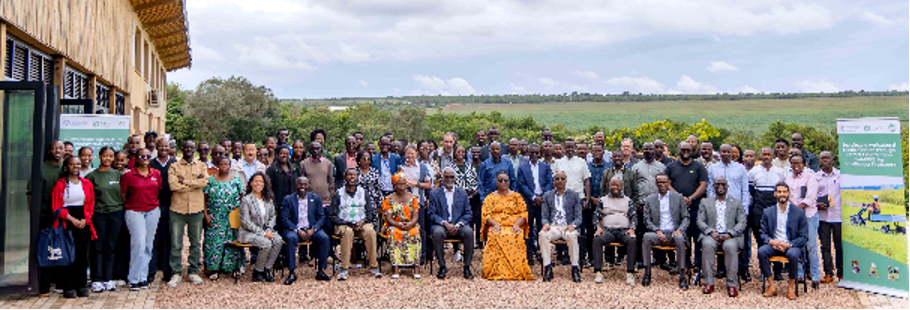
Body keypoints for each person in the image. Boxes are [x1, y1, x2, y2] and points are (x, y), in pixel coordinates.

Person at [50, 156, 96, 299]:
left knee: (82, 254)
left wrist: (85, 219)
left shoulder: (87, 183)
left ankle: (81, 285)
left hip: (83, 220)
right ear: (66, 167)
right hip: (67, 220)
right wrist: (72, 219)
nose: (75, 166)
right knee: (69, 254)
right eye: (72, 164)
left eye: (77, 164)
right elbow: (56, 207)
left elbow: (90, 203)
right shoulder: (60, 184)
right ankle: (68, 286)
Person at [166, 141, 209, 287]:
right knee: (176, 243)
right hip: (177, 209)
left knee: (195, 243)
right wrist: (193, 183)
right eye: (186, 147)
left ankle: (193, 271)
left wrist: (184, 181)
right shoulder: (174, 166)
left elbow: (203, 183)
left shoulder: (201, 165)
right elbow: (173, 185)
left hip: (196, 210)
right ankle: (176, 273)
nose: (188, 150)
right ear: (182, 149)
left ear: (194, 150)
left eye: (191, 147)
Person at [706, 144, 752, 282]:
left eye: (728, 152)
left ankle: (743, 270)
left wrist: (745, 210)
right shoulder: (713, 168)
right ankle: (722, 269)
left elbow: (745, 189)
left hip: (737, 209)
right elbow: (709, 188)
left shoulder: (740, 168)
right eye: (723, 151)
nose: (726, 154)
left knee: (740, 238)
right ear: (719, 153)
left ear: (733, 154)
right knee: (720, 235)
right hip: (719, 207)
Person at [120, 148, 162, 291]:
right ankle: (133, 278)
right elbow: (124, 195)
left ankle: (143, 277)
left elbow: (158, 191)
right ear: (136, 158)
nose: (145, 158)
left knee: (148, 245)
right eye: (142, 156)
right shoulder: (129, 175)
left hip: (152, 211)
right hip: (134, 211)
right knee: (138, 244)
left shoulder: (156, 173)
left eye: (147, 156)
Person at [698, 177, 747, 297]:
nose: (720, 186)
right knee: (707, 245)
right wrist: (711, 232)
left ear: (727, 186)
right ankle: (709, 282)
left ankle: (731, 284)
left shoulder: (737, 203)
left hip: (730, 235)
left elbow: (742, 222)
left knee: (730, 247)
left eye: (723, 184)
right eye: (717, 184)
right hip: (712, 234)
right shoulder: (705, 202)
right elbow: (700, 220)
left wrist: (730, 233)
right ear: (713, 186)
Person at [759, 182, 809, 301]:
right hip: (774, 245)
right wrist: (772, 242)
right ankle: (771, 285)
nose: (782, 194)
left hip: (791, 245)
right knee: (761, 252)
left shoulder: (799, 213)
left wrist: (789, 244)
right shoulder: (768, 212)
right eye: (779, 192)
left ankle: (791, 287)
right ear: (775, 194)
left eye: (784, 192)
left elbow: (804, 237)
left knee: (792, 254)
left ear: (789, 194)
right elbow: (762, 232)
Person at [481, 171, 534, 281]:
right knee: (494, 235)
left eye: (506, 180)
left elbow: (523, 213)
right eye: (500, 180)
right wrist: (495, 224)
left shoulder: (517, 197)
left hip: (513, 225)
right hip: (496, 225)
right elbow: (486, 214)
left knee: (516, 236)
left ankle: (517, 270)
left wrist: (516, 225)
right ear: (496, 182)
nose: (503, 182)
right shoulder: (490, 198)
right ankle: (496, 271)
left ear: (509, 182)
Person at [329, 169, 381, 280]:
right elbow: (332, 215)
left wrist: (363, 221)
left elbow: (371, 213)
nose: (352, 177)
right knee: (347, 232)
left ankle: (374, 266)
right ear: (344, 178)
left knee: (370, 231)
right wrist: (347, 223)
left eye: (354, 175)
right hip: (344, 224)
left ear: (357, 178)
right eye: (349, 175)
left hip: (361, 223)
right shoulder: (338, 193)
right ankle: (343, 269)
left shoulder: (363, 192)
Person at [664, 142, 708, 272]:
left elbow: (703, 185)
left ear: (692, 150)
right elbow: (666, 183)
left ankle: (699, 264)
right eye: (683, 149)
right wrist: (679, 197)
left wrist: (691, 198)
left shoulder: (699, 167)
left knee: (697, 237)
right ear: (679, 150)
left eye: (688, 149)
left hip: (696, 208)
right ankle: (683, 264)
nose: (685, 151)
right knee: (682, 237)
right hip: (678, 209)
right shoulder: (671, 166)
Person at [642, 174, 690, 290]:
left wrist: (679, 230)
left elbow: (686, 217)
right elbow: (646, 219)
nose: (662, 185)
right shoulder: (649, 200)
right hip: (658, 232)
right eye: (659, 182)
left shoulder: (678, 198)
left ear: (668, 183)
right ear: (655, 184)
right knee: (646, 237)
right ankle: (647, 273)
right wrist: (657, 231)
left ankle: (682, 275)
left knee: (680, 239)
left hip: (674, 232)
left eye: (664, 182)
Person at [280, 177, 332, 284]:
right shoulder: (288, 199)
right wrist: (297, 230)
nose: (302, 187)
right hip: (295, 230)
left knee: (324, 238)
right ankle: (291, 272)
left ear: (308, 186)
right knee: (290, 238)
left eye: (305, 184)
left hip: (311, 229)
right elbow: (285, 218)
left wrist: (313, 229)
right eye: (300, 184)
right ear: (296, 186)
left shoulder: (315, 198)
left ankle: (321, 271)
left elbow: (322, 217)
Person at [86, 147, 123, 293]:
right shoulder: (92, 176)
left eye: (111, 156)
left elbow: (124, 194)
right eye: (105, 156)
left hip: (116, 213)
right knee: (97, 246)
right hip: (98, 214)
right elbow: (88, 197)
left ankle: (108, 278)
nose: (108, 159)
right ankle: (96, 279)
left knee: (111, 246)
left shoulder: (118, 175)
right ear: (99, 157)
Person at [202, 157, 245, 280]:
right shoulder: (210, 180)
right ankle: (214, 269)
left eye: (227, 164)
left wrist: (241, 216)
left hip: (232, 216)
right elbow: (204, 199)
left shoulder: (236, 180)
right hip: (214, 217)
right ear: (218, 165)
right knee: (214, 243)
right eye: (221, 164)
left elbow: (242, 198)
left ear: (230, 165)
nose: (224, 166)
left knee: (233, 241)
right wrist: (205, 215)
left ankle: (233, 267)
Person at [428, 168, 475, 280]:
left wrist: (458, 225)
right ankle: (442, 266)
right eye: (447, 177)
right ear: (442, 178)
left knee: (469, 232)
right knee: (437, 233)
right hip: (442, 225)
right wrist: (444, 223)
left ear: (455, 178)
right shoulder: (434, 194)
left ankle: (467, 267)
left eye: (452, 177)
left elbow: (468, 213)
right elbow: (431, 214)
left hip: (458, 226)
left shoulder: (462, 194)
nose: (449, 179)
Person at [538, 171, 584, 283]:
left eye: (562, 179)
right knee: (542, 234)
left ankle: (575, 268)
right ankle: (548, 267)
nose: (560, 181)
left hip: (568, 226)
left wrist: (573, 225)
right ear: (553, 181)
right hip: (553, 226)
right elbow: (544, 216)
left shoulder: (574, 195)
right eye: (557, 179)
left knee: (572, 235)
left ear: (566, 180)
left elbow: (579, 217)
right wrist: (546, 223)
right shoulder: (547, 195)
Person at [592, 177, 638, 286]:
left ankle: (630, 273)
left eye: (617, 185)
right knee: (597, 239)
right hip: (608, 231)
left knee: (632, 240)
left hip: (624, 231)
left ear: (621, 187)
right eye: (613, 185)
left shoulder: (628, 200)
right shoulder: (603, 200)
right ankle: (598, 272)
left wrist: (632, 229)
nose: (615, 187)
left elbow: (634, 216)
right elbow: (596, 216)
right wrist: (598, 227)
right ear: (609, 186)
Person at [238, 172, 283, 283]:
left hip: (265, 231)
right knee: (266, 243)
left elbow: (272, 217)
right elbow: (245, 222)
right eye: (256, 181)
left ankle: (266, 269)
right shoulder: (246, 200)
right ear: (251, 183)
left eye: (261, 181)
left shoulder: (268, 200)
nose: (258, 183)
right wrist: (263, 233)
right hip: (248, 232)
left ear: (265, 184)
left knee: (278, 240)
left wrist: (268, 229)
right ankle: (258, 272)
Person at [381, 173, 423, 279]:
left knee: (415, 232)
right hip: (394, 224)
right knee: (394, 233)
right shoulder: (388, 199)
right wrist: (397, 224)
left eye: (404, 184)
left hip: (410, 224)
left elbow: (415, 216)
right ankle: (396, 266)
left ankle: (416, 267)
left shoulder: (413, 198)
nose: (401, 187)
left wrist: (410, 224)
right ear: (394, 185)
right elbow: (388, 218)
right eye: (398, 184)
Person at [786, 154, 820, 287]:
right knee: (797, 245)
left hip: (809, 215)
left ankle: (815, 276)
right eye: (793, 163)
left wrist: (799, 209)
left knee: (811, 246)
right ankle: (799, 275)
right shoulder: (788, 179)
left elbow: (810, 197)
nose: (796, 166)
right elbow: (787, 197)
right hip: (794, 217)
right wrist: (794, 210)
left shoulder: (810, 178)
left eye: (799, 163)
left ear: (804, 164)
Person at [516, 144, 554, 264]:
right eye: (531, 152)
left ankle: (542, 253)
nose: (534, 155)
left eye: (536, 152)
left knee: (541, 228)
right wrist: (533, 198)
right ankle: (529, 253)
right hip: (529, 201)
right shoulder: (522, 167)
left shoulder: (545, 167)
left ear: (540, 154)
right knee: (528, 228)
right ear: (528, 153)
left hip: (543, 202)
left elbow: (549, 182)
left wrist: (542, 197)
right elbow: (521, 184)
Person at [148, 138, 175, 284]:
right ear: (156, 148)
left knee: (167, 240)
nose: (163, 148)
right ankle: (151, 271)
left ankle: (167, 270)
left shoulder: (174, 164)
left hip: (170, 206)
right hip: (153, 206)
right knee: (153, 239)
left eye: (166, 146)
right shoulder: (150, 164)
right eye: (161, 146)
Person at [399, 145, 433, 263]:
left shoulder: (422, 167)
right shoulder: (401, 168)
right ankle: (406, 255)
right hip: (404, 203)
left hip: (419, 202)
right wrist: (404, 184)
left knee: (421, 229)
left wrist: (416, 183)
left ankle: (421, 256)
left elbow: (429, 185)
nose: (410, 156)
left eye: (412, 154)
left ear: (416, 154)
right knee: (406, 228)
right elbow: (396, 183)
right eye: (408, 154)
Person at [816, 151, 842, 284]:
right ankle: (828, 273)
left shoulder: (840, 175)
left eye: (827, 158)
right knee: (825, 246)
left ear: (832, 159)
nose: (824, 160)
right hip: (823, 217)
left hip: (838, 215)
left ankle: (841, 274)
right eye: (822, 158)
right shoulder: (816, 177)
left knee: (839, 246)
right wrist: (817, 204)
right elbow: (811, 194)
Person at [266, 147, 300, 231]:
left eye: (286, 154)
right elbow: (268, 188)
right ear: (277, 155)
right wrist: (274, 205)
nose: (284, 155)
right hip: (278, 203)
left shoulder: (294, 168)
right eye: (281, 153)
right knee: (280, 227)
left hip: (293, 203)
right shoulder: (272, 169)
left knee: (292, 226)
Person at [356, 151, 383, 227]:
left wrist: (380, 205)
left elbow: (378, 189)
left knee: (372, 228)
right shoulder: (354, 172)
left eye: (368, 159)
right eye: (363, 159)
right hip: (358, 204)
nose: (366, 161)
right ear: (359, 160)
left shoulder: (374, 172)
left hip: (372, 204)